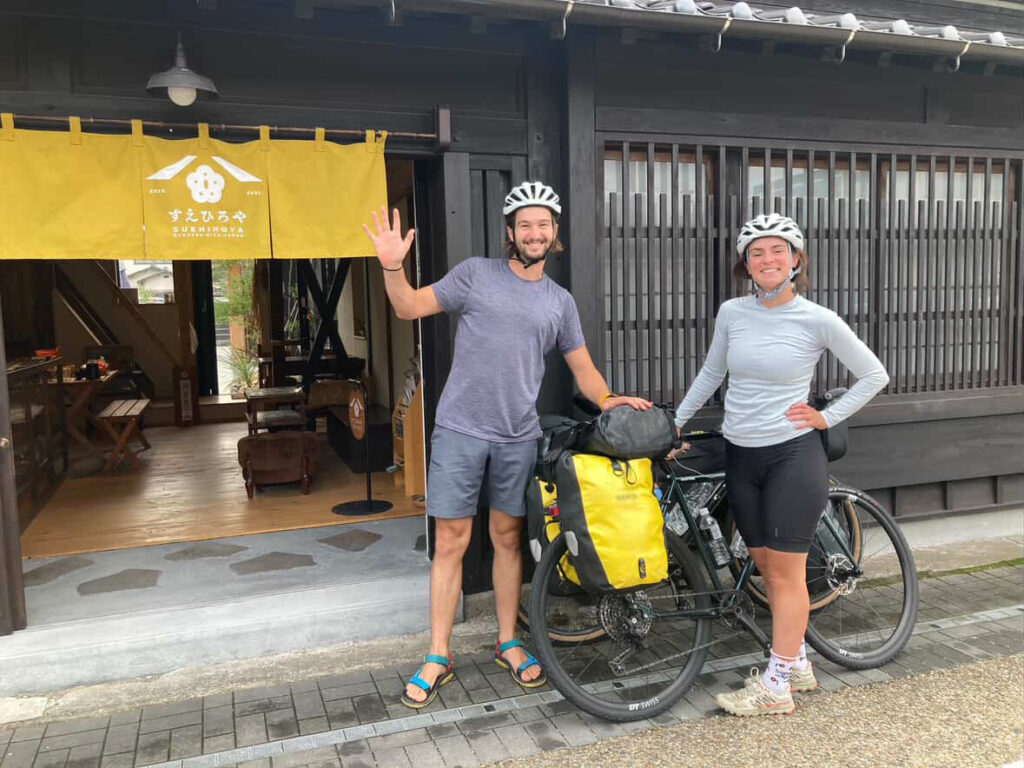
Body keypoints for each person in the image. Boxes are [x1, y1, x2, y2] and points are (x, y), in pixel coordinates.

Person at [362, 181, 650, 709]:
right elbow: (407, 307)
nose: (534, 233)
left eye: (543, 224)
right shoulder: (475, 274)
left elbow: (583, 369)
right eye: (524, 225)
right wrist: (392, 266)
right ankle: (438, 653)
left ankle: (507, 641)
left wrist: (610, 400)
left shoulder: (559, 302)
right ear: (510, 232)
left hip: (519, 435)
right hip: (460, 430)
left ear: (554, 233)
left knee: (508, 538)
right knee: (451, 540)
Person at [671, 212, 889, 716]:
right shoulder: (732, 313)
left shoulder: (817, 318)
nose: (767, 259)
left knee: (788, 575)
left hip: (792, 455)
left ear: (795, 261)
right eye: (757, 253)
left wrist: (825, 417)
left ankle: (776, 687)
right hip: (740, 455)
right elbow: (711, 372)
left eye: (777, 251)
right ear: (746, 265)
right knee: (767, 569)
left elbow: (874, 374)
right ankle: (798, 662)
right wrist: (674, 424)